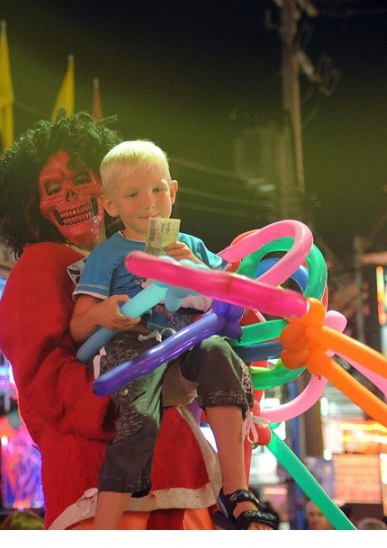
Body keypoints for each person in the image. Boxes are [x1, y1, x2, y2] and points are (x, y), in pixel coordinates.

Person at [0, 112, 231, 530]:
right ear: (30, 205)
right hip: (95, 473)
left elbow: (223, 309)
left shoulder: (145, 250)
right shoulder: (41, 263)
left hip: (173, 464)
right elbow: (43, 378)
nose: (71, 195)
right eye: (53, 188)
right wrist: (127, 395)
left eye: (81, 179)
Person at [68, 140, 275, 531]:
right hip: (132, 350)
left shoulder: (191, 246)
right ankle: (105, 526)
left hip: (187, 347)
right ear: (110, 205)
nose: (149, 202)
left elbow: (229, 301)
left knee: (219, 350)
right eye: (133, 194)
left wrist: (196, 266)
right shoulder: (108, 255)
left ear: (173, 192)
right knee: (139, 423)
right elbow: (78, 328)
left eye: (157, 189)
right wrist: (102, 313)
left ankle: (236, 491)